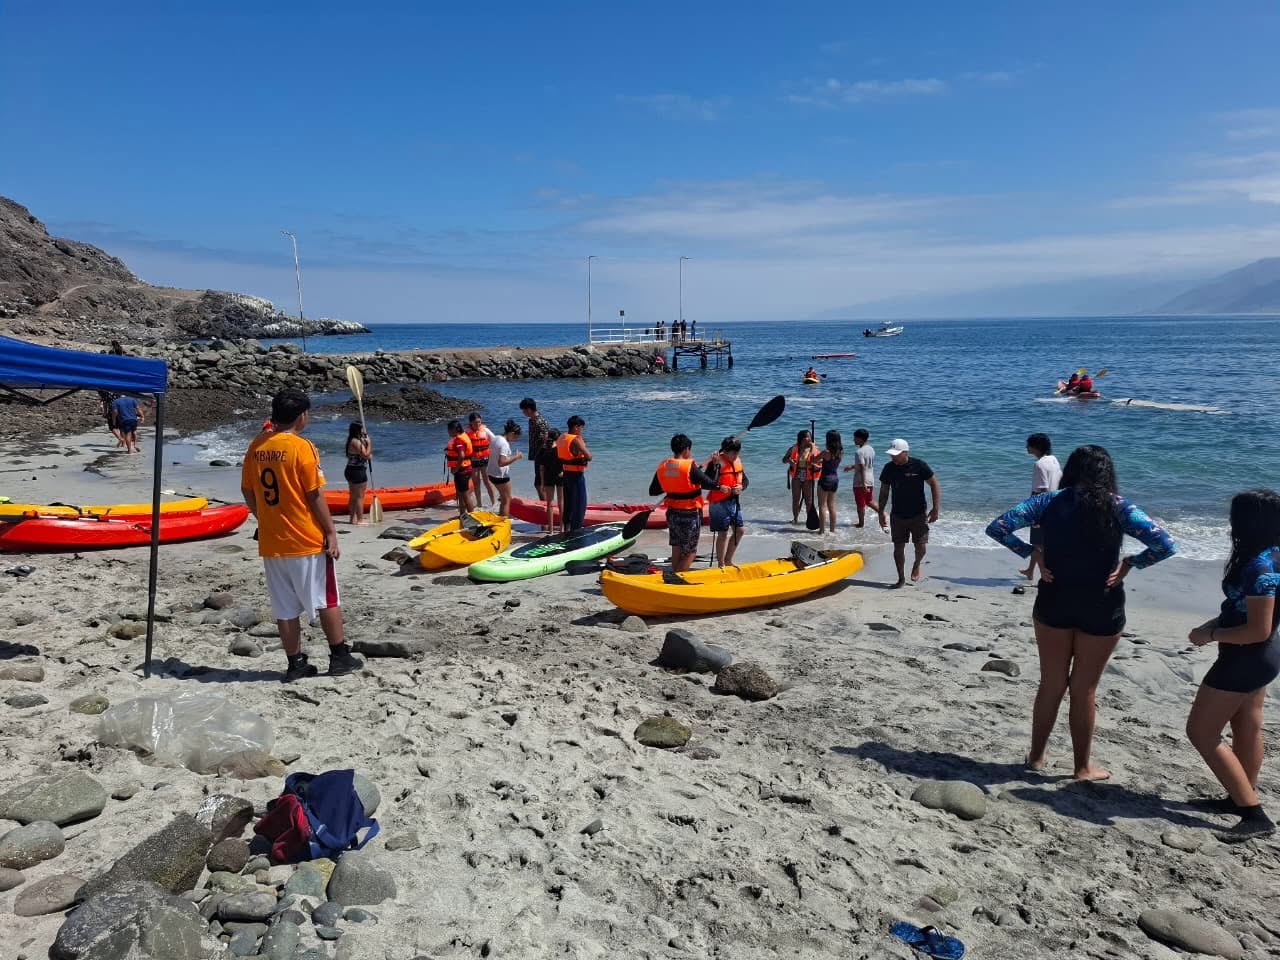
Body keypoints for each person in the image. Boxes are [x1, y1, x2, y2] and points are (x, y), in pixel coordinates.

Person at [985, 445, 1175, 781]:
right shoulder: (1119, 507)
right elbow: (1164, 544)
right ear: (1107, 474)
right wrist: (1131, 562)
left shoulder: (1049, 501)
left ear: (1070, 470)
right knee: (1085, 689)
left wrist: (1033, 553)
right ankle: (1081, 767)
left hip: (1055, 597)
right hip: (1102, 602)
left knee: (1051, 684)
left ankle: (1037, 758)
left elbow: (999, 527)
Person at [241, 388, 363, 682]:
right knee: (326, 598)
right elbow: (314, 494)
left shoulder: (257, 445)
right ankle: (339, 656)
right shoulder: (301, 447)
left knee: (284, 606)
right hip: (305, 539)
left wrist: (264, 518)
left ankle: (295, 663)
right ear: (302, 416)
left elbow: (247, 489)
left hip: (273, 541)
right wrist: (331, 531)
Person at [1185, 489, 1280, 842]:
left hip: (1248, 657)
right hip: (1266, 654)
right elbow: (1246, 613)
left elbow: (1256, 629)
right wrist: (1213, 626)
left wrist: (1210, 636)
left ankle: (1253, 813)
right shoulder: (1272, 555)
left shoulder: (1260, 566)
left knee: (1201, 732)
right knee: (1246, 727)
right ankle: (1239, 796)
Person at [650, 434, 730, 572]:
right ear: (686, 449)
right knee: (690, 552)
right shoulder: (689, 466)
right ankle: (676, 580)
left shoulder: (663, 465)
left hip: (673, 513)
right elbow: (710, 484)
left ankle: (674, 576)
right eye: (690, 449)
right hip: (690, 514)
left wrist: (673, 488)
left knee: (677, 547)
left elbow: (653, 491)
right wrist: (716, 465)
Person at [878, 439, 941, 587]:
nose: (893, 457)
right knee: (898, 547)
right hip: (897, 515)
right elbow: (884, 491)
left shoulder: (919, 465)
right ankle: (901, 578)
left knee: (921, 546)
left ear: (905, 453)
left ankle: (917, 564)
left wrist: (936, 508)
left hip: (918, 514)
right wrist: (881, 512)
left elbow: (934, 484)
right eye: (891, 455)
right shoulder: (888, 468)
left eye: (896, 454)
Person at [1019, 433, 1063, 581]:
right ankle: (1030, 571)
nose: (1026, 447)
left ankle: (1045, 574)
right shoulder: (1053, 459)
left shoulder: (1039, 464)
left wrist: (1034, 513)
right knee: (1040, 542)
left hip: (1042, 508)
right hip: (1056, 504)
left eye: (1028, 445)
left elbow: (1041, 490)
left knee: (1038, 544)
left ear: (1036, 447)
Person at [704, 436, 748, 566]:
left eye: (737, 453)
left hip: (733, 502)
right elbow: (706, 483)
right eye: (733, 453)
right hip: (718, 503)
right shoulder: (715, 463)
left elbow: (745, 480)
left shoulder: (737, 461)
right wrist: (716, 467)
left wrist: (741, 487)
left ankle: (728, 560)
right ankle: (721, 564)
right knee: (722, 534)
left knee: (740, 531)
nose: (735, 456)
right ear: (725, 452)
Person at [557, 416, 591, 531]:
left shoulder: (562, 437)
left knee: (568, 504)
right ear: (576, 427)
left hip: (566, 473)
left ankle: (566, 529)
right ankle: (576, 530)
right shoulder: (575, 440)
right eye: (582, 428)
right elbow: (589, 456)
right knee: (579, 504)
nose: (582, 430)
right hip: (576, 476)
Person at [842, 428, 879, 528]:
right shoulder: (871, 449)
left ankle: (861, 523)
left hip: (860, 481)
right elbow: (865, 464)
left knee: (860, 504)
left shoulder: (859, 452)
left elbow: (862, 467)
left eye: (855, 438)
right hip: (870, 479)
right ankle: (882, 513)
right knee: (869, 501)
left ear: (860, 439)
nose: (853, 440)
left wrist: (863, 484)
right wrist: (852, 467)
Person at [487, 419, 524, 518]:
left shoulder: (496, 438)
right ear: (511, 433)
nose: (515, 440)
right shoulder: (504, 444)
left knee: (503, 498)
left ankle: (501, 517)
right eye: (516, 437)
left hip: (491, 473)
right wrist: (516, 457)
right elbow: (502, 463)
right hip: (500, 476)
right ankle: (504, 523)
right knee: (506, 499)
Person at [520, 398, 552, 501]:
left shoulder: (539, 421)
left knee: (540, 484)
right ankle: (545, 504)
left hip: (543, 456)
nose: (523, 413)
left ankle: (545, 505)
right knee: (539, 483)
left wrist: (544, 458)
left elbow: (547, 440)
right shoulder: (532, 420)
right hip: (537, 455)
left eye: (524, 411)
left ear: (529, 409)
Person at [782, 430, 817, 524]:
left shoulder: (813, 448)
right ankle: (795, 519)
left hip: (808, 478)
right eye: (807, 437)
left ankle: (809, 520)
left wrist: (813, 448)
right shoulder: (794, 448)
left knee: (809, 501)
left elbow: (819, 460)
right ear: (801, 438)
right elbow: (784, 459)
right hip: (796, 477)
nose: (809, 439)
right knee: (795, 499)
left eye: (810, 437)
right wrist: (789, 461)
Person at [535, 427, 565, 532]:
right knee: (561, 502)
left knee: (549, 503)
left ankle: (551, 530)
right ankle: (562, 528)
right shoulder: (561, 447)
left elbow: (541, 468)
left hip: (548, 477)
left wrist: (542, 483)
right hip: (560, 476)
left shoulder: (543, 449)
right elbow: (564, 463)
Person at [343, 422, 372, 526]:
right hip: (358, 471)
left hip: (350, 470)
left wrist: (365, 446)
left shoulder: (352, 440)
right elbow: (365, 455)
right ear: (358, 430)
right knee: (359, 496)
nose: (364, 431)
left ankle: (352, 519)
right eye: (362, 429)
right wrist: (369, 443)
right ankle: (360, 520)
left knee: (353, 496)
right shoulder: (356, 442)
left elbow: (363, 455)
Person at [466, 412, 498, 509]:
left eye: (479, 422)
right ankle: (479, 504)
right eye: (475, 423)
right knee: (476, 483)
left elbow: (496, 441)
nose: (478, 424)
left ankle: (494, 503)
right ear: (470, 423)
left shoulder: (485, 431)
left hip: (485, 460)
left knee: (487, 482)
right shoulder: (466, 432)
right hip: (473, 461)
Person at [814, 430, 843, 533]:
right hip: (835, 480)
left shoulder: (826, 452)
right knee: (832, 505)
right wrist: (822, 463)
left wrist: (813, 448)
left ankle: (822, 530)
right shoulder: (840, 452)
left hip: (825, 479)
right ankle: (832, 530)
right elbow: (830, 463)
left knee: (822, 505)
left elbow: (813, 461)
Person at [444, 419, 475, 517]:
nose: (448, 432)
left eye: (449, 430)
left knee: (465, 495)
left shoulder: (458, 440)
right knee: (460, 495)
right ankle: (462, 515)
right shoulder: (463, 436)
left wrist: (456, 468)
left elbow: (461, 455)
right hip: (465, 469)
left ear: (454, 430)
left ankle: (473, 517)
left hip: (462, 471)